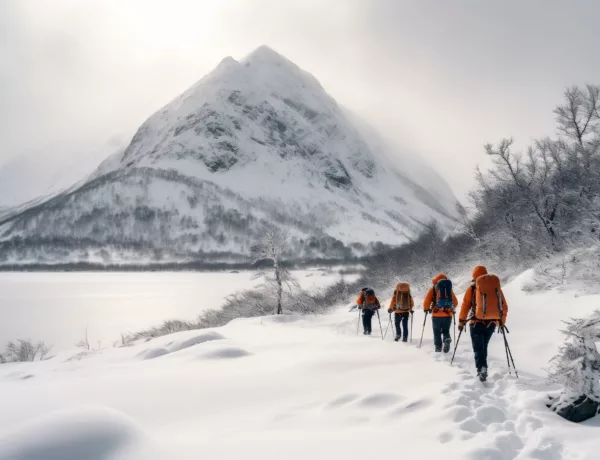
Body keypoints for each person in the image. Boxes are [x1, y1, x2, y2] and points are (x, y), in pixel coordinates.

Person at [458, 265, 508, 382]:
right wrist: (501, 322)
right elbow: (504, 306)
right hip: (491, 323)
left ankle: (481, 369)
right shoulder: (495, 288)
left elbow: (465, 306)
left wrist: (461, 322)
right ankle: (483, 367)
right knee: (483, 346)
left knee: (478, 348)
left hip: (476, 323)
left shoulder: (472, 289)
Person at [423, 274, 458, 353]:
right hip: (448, 315)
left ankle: (438, 348)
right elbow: (455, 302)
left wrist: (426, 308)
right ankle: (447, 338)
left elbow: (427, 300)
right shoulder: (449, 290)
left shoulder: (433, 289)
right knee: (446, 330)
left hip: (436, 315)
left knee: (436, 332)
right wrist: (448, 309)